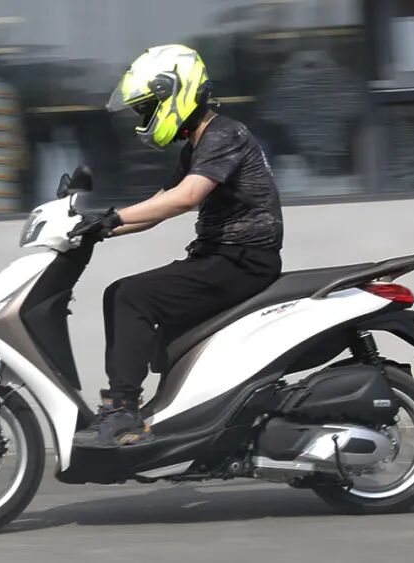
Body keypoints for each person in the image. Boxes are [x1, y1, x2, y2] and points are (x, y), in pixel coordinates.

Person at [69, 44, 284, 448]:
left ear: (175, 91)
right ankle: (171, 419)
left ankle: (123, 412)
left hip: (242, 260)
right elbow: (159, 207)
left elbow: (185, 198)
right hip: (223, 258)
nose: (144, 118)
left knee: (129, 296)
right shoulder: (199, 145)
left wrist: (113, 217)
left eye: (148, 108)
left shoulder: (225, 134)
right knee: (139, 311)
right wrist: (97, 229)